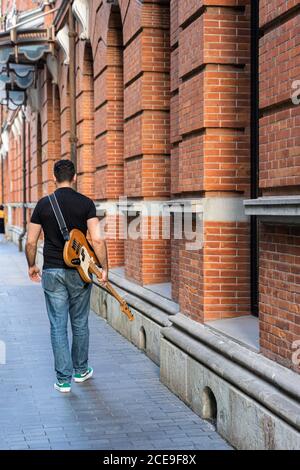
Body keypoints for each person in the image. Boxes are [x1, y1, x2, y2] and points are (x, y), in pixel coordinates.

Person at [25, 160, 108, 393]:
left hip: (51, 271)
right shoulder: (86, 204)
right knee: (80, 322)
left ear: (54, 178)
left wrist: (32, 265)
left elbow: (31, 241)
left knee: (57, 325)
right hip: (80, 272)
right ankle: (81, 370)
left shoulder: (43, 205)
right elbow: (97, 240)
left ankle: (63, 380)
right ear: (75, 178)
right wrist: (103, 267)